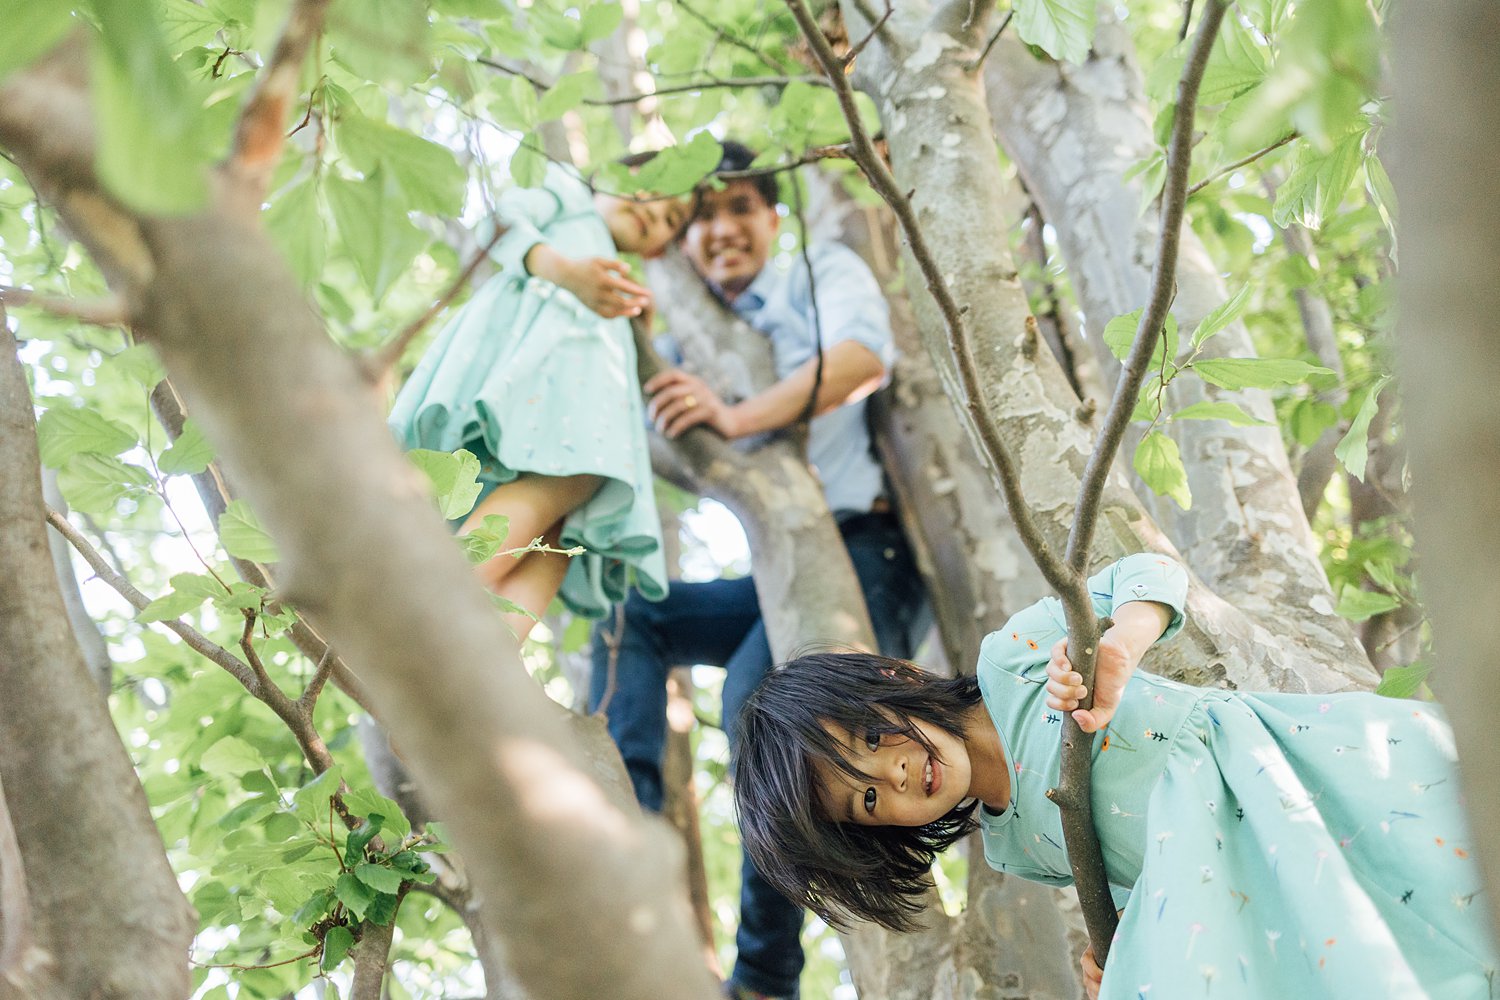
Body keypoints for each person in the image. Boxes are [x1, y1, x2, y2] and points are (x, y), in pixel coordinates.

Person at [734, 553, 1499, 1000]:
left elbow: (1149, 569)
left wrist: (1120, 647)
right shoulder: (1011, 846)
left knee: (1438, 859)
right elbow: (1138, 876)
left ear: (895, 676)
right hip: (1235, 881)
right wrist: (1131, 951)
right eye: (867, 800)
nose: (895, 774)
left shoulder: (1015, 662)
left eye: (872, 735)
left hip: (1281, 778)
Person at [587, 140, 929, 1000]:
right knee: (633, 612)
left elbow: (860, 359)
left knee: (754, 701)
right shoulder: (690, 326)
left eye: (741, 208)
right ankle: (634, 828)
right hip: (775, 570)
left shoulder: (821, 270)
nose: (722, 230)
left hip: (864, 552)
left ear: (773, 219)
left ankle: (766, 977)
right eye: (701, 216)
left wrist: (736, 417)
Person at [389, 158, 689, 639]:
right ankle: (429, 608)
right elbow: (502, 221)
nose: (656, 212)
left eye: (673, 218)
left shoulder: (624, 284)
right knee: (568, 482)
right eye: (651, 190)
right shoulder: (570, 197)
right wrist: (565, 270)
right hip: (531, 364)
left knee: (566, 525)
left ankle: (491, 654)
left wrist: (637, 327)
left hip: (581, 394)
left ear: (659, 250)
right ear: (612, 176)